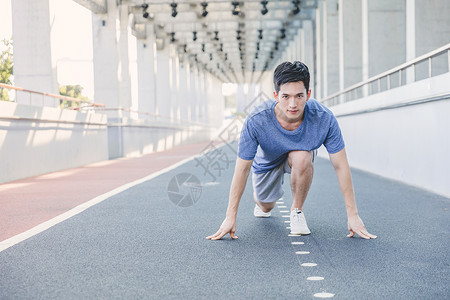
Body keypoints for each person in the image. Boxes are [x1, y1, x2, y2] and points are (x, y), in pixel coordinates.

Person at [206, 61, 377, 241]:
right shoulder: (257, 120)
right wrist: (230, 217)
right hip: (267, 162)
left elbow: (341, 166)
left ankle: (296, 211)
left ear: (308, 94)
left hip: (298, 158)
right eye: (286, 96)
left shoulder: (324, 119)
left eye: (299, 96)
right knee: (266, 206)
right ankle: (262, 202)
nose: (293, 104)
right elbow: (242, 169)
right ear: (276, 95)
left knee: (303, 156)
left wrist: (353, 216)